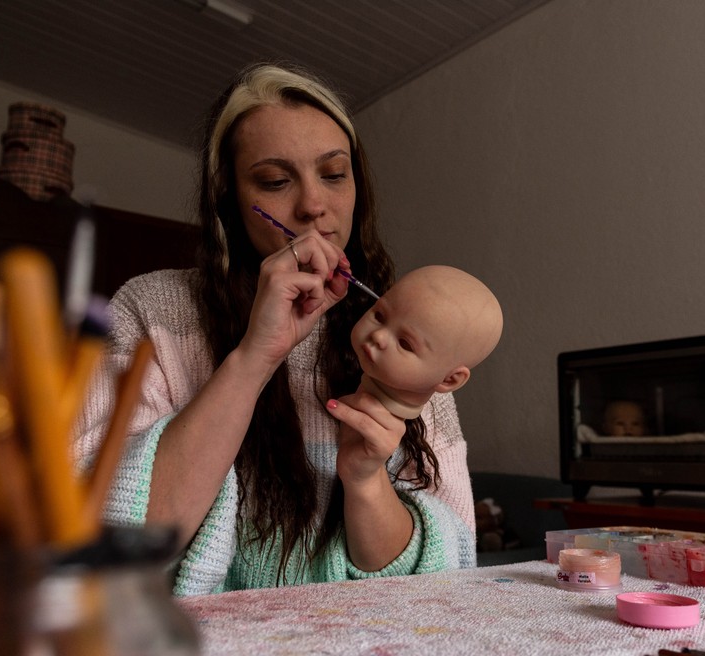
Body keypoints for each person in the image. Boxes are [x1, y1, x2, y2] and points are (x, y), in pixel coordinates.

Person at [75, 62, 477, 596]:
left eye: (334, 173)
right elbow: (104, 543)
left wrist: (365, 481)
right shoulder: (152, 308)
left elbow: (454, 564)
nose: (313, 205)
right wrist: (255, 355)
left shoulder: (400, 333)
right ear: (228, 197)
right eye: (275, 180)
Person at [352, 265, 502, 420]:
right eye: (379, 316)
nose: (378, 336)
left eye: (405, 344)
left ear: (449, 380)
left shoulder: (437, 426)